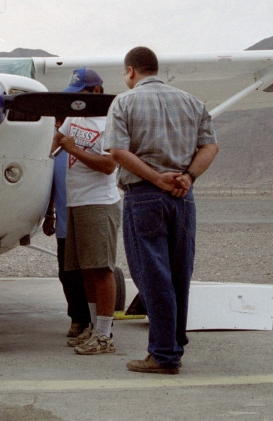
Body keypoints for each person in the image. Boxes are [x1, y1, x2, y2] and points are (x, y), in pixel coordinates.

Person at [104, 46, 218, 374]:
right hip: (183, 197)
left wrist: (157, 178)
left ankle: (164, 354)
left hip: (144, 196)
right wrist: (188, 176)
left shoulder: (124, 103)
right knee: (180, 273)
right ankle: (173, 343)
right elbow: (210, 145)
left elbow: (116, 151)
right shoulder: (191, 102)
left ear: (130, 71)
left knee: (152, 275)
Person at [51, 67, 121, 355]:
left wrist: (73, 149)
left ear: (96, 92)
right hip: (76, 202)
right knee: (86, 271)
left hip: (98, 202)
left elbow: (108, 165)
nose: (75, 101)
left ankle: (104, 334)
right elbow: (55, 143)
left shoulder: (111, 123)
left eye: (80, 95)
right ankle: (93, 326)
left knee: (102, 270)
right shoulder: (74, 117)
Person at [44, 117, 91, 338]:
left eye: (61, 120)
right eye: (56, 121)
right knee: (67, 273)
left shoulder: (82, 143)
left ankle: (96, 320)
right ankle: (78, 318)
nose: (57, 124)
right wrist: (49, 214)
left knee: (93, 272)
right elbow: (48, 182)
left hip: (88, 217)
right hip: (64, 221)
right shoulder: (55, 149)